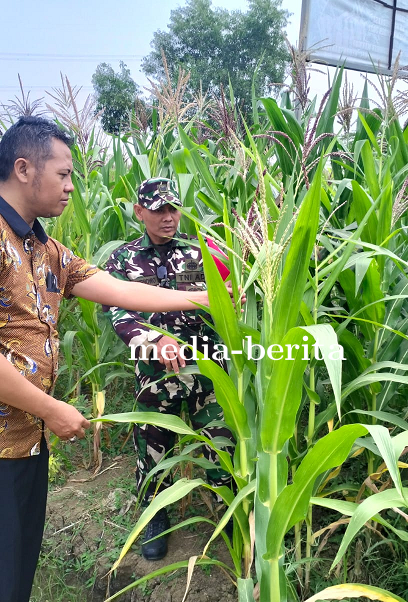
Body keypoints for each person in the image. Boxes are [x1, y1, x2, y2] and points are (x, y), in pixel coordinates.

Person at [0, 117, 226, 602]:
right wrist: (52, 408)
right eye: (62, 175)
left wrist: (206, 300)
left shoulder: (43, 247)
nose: (70, 187)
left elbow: (120, 290)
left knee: (14, 583)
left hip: (24, 442)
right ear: (24, 169)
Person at [103, 177, 234, 561]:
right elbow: (119, 312)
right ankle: (155, 515)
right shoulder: (124, 259)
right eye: (158, 209)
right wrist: (154, 340)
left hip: (208, 370)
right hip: (157, 375)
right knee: (153, 447)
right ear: (139, 212)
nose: (168, 217)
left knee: (221, 443)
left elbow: (227, 294)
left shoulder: (200, 252)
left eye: (173, 208)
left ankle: (228, 509)